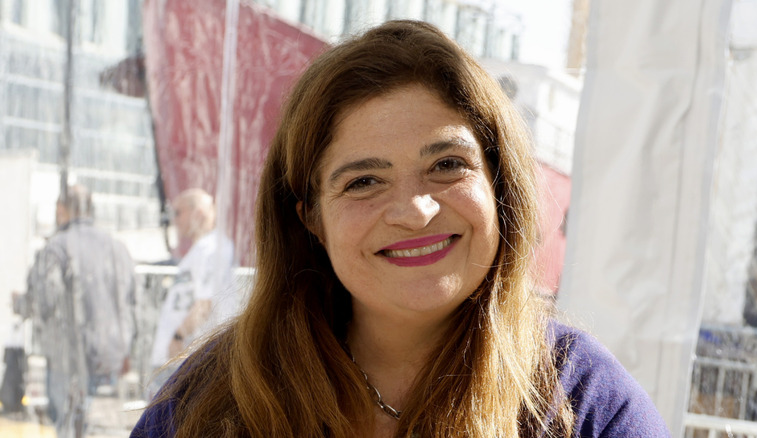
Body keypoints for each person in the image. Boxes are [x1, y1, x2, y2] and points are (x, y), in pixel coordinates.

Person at [131, 20, 670, 437]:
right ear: (310, 219)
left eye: (446, 166)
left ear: (499, 185)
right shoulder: (210, 399)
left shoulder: (587, 402)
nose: (415, 211)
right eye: (364, 181)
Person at [25, 184, 136, 437]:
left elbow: (44, 301)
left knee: (68, 423)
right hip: (111, 355)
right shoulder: (117, 247)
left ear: (62, 209)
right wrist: (127, 350)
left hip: (71, 358)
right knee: (101, 425)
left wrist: (23, 304)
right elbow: (132, 302)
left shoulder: (57, 247)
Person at [147, 189, 235, 396]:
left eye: (178, 213)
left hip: (183, 359)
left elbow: (205, 303)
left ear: (199, 213)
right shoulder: (202, 249)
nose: (174, 220)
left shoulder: (213, 248)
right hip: (179, 358)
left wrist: (178, 337)